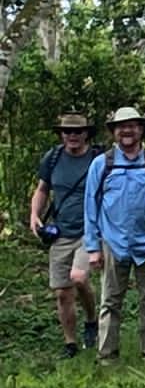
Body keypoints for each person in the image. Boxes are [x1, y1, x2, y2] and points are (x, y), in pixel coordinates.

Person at [83, 106, 145, 363]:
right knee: (110, 300)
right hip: (113, 242)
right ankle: (106, 354)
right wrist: (93, 246)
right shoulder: (102, 164)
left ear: (141, 130)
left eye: (132, 126)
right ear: (114, 132)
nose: (126, 131)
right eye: (121, 127)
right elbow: (90, 206)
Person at [29, 111, 99, 357]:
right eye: (67, 131)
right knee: (62, 292)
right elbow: (42, 189)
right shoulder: (53, 157)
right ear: (60, 134)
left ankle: (92, 319)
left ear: (86, 134)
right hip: (61, 232)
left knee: (79, 277)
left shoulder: (97, 159)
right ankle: (70, 343)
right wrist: (34, 216)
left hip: (89, 231)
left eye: (78, 131)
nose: (72, 136)